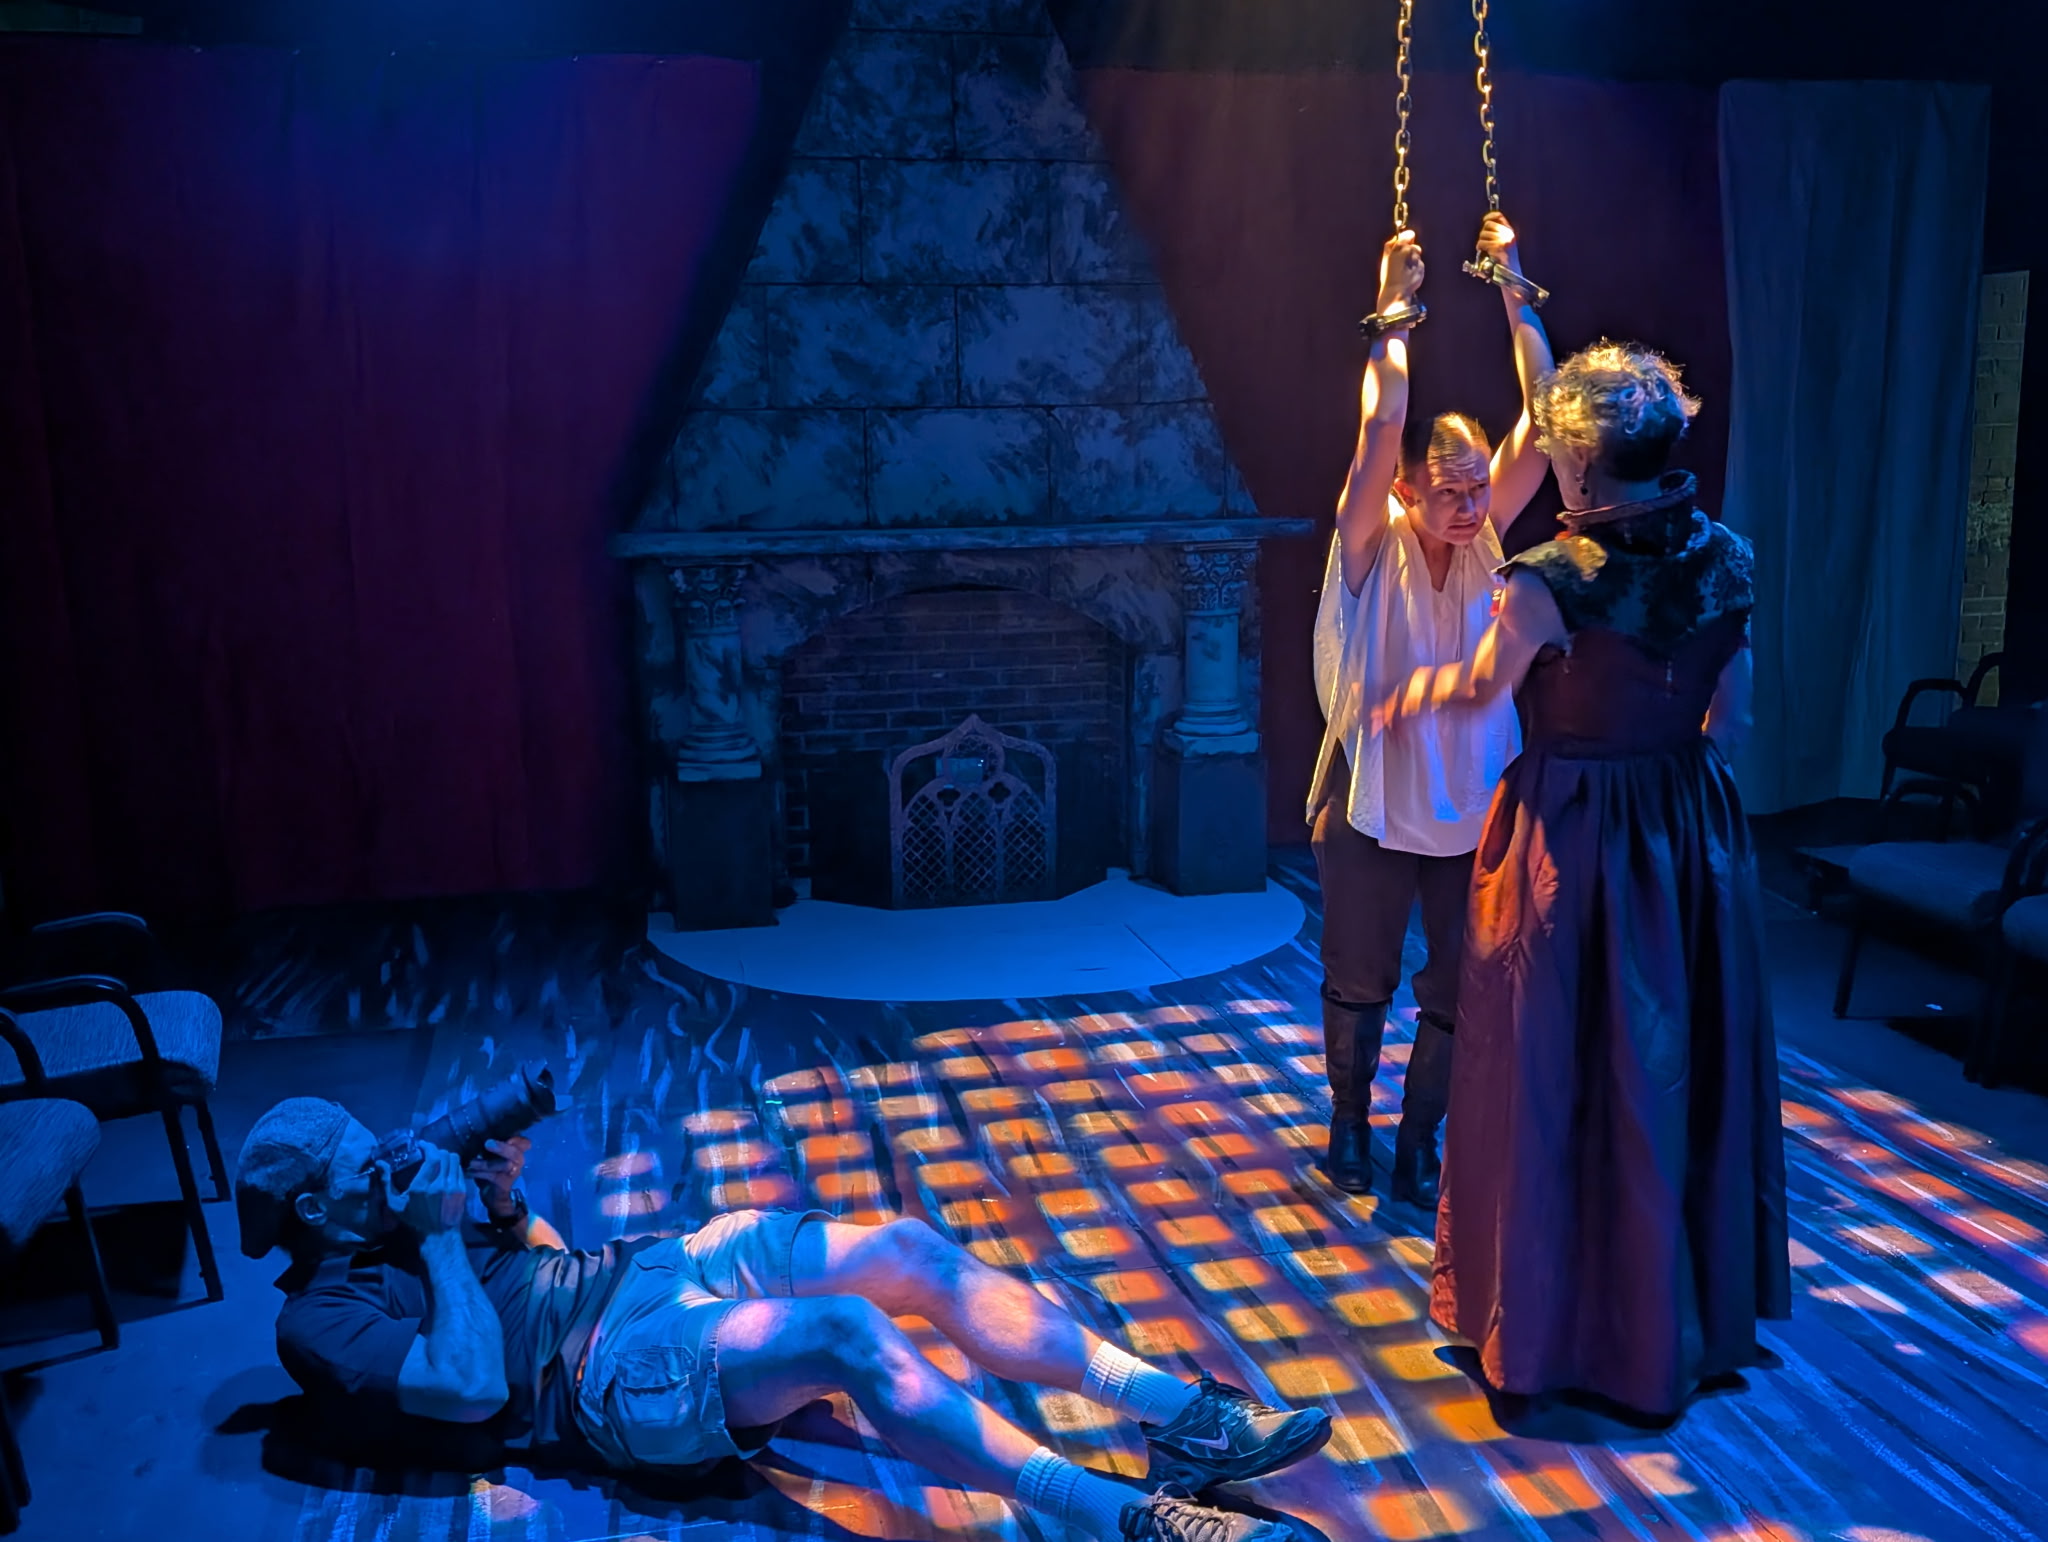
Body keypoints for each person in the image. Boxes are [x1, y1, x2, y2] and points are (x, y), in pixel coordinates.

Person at [235, 1099, 1333, 1541]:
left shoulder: (405, 1220)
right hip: (612, 1371)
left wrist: (504, 1207)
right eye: (359, 1171)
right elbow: (472, 1389)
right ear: (313, 1213)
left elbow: (542, 1270)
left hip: (650, 1268)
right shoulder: (321, 1319)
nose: (386, 1169)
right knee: (847, 1334)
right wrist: (436, 1235)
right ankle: (1122, 1518)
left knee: (906, 1248)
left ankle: (1177, 1415)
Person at [1373, 340, 1791, 1420]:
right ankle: (1673, 1318)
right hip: (1686, 832)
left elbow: (1480, 690)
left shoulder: (1548, 580)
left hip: (1572, 838)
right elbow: (1731, 720)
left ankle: (1558, 1329)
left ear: (1576, 464)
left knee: (1552, 1065)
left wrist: (1403, 698)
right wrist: (1670, 793)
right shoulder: (1729, 560)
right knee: (1669, 1060)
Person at [1309, 213, 1555, 1203]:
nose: (1468, 506)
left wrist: (1513, 283)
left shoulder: (1489, 540)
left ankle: (1419, 1140)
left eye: (1476, 488)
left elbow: (1544, 418)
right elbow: (1380, 427)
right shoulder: (1370, 543)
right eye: (1447, 491)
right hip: (1374, 797)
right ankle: (1346, 1122)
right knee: (1358, 973)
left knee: (1460, 982)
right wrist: (1393, 311)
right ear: (1406, 494)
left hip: (1475, 803)